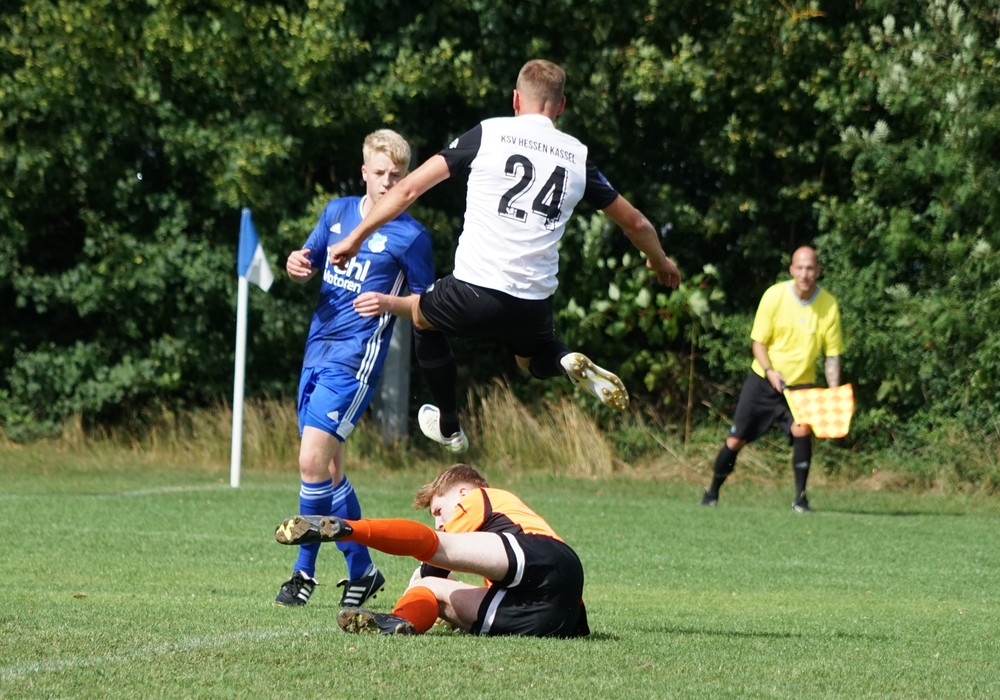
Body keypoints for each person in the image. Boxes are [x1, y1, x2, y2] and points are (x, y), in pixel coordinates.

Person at [330, 59, 682, 453]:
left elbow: (408, 189)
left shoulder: (489, 133)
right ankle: (565, 360)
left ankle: (449, 426)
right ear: (561, 106)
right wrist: (660, 260)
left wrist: (356, 237)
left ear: (516, 99)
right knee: (531, 360)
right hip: (532, 302)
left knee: (422, 317)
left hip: (472, 290)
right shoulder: (577, 156)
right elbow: (636, 223)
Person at [275, 129, 436, 608]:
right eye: (380, 172)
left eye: (397, 175)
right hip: (317, 350)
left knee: (310, 462)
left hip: (355, 360)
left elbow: (429, 307)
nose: (388, 182)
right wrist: (296, 265)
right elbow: (308, 261)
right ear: (364, 171)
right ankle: (362, 570)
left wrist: (389, 302)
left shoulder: (412, 236)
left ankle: (303, 573)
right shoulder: (337, 212)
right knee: (328, 469)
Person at [274, 463, 589, 638]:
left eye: (439, 510)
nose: (439, 521)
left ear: (463, 492)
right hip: (556, 617)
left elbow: (434, 561)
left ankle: (350, 528)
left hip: (546, 557)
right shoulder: (493, 537)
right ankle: (399, 621)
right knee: (432, 589)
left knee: (433, 551)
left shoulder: (481, 497)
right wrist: (426, 595)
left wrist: (418, 583)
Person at [701, 246, 843, 512]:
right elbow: (758, 343)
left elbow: (832, 355)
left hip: (800, 386)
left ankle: (800, 499)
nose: (805, 274)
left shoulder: (829, 305)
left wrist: (834, 393)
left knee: (802, 431)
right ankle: (712, 493)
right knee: (736, 440)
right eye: (800, 268)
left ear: (818, 271)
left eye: (810, 268)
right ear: (791, 270)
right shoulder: (775, 296)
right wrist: (770, 371)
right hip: (764, 380)